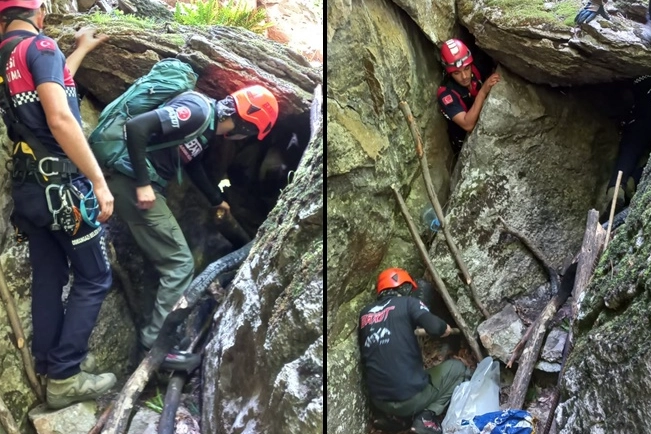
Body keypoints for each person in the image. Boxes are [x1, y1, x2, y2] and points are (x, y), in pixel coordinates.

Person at [93, 84, 278, 369]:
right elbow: (137, 127)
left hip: (135, 183)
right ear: (246, 124)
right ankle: (153, 347)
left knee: (165, 263)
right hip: (130, 181)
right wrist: (143, 183)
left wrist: (217, 199)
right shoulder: (197, 112)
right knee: (180, 264)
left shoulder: (205, 129)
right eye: (251, 132)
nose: (245, 138)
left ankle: (153, 339)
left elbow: (193, 164)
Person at [0, 0, 117, 409]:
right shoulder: (41, 47)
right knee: (95, 277)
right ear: (40, 15)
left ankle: (49, 364)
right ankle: (65, 375)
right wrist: (98, 182)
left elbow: (51, 86)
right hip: (62, 187)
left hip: (30, 192)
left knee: (49, 278)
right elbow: (60, 117)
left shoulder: (8, 55)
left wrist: (80, 51)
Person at [358, 268, 471, 434]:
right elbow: (436, 327)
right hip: (409, 399)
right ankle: (426, 418)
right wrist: (445, 328)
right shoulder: (408, 303)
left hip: (380, 402)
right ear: (403, 288)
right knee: (458, 369)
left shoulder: (364, 315)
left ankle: (396, 419)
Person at [598, 75, 651, 220]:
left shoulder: (639, 79)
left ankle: (616, 190)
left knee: (631, 148)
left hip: (639, 115)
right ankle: (635, 179)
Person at [436, 39, 500, 158]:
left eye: (466, 68)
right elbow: (467, 124)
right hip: (465, 144)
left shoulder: (476, 68)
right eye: (457, 73)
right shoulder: (446, 94)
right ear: (449, 73)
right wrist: (483, 92)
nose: (464, 76)